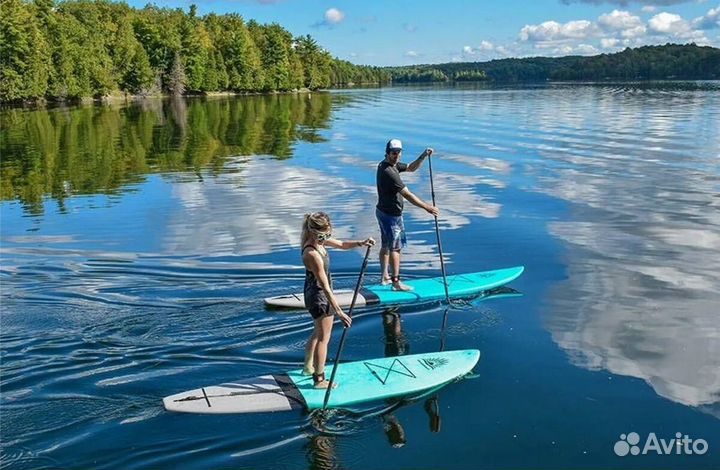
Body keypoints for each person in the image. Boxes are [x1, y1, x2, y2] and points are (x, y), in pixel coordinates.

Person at [301, 211, 375, 389]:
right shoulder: (312, 253)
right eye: (323, 235)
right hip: (319, 296)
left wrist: (360, 243)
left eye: (328, 234)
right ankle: (319, 380)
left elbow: (341, 244)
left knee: (317, 332)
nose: (326, 237)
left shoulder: (319, 242)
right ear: (313, 232)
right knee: (323, 338)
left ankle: (307, 367)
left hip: (315, 293)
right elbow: (325, 286)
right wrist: (339, 312)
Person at [376, 138, 439, 291]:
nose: (396, 155)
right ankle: (396, 283)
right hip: (391, 216)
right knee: (396, 248)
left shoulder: (390, 165)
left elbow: (411, 168)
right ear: (387, 153)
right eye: (393, 153)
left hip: (382, 212)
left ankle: (385, 277)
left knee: (386, 245)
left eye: (398, 152)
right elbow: (407, 194)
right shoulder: (389, 172)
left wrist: (423, 156)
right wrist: (427, 207)